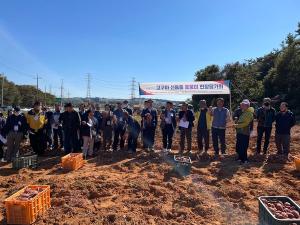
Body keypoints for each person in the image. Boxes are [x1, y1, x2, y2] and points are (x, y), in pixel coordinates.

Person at [234, 100, 254, 164]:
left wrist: (237, 125)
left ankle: (245, 160)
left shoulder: (249, 113)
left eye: (243, 105)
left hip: (245, 132)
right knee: (239, 145)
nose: (241, 106)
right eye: (241, 104)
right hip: (240, 131)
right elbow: (240, 121)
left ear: (247, 106)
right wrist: (237, 123)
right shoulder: (244, 112)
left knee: (244, 146)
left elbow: (246, 123)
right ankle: (240, 158)